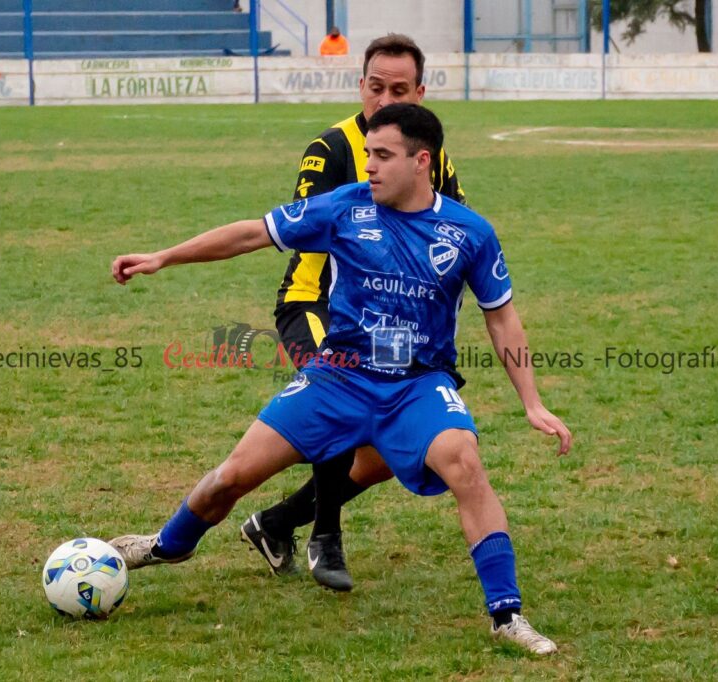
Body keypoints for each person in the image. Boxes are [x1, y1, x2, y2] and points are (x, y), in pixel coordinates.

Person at [108, 103, 572, 656]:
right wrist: (163, 257)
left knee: (465, 464)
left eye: (383, 155)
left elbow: (502, 317)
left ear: (422, 161)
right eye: (368, 152)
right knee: (230, 478)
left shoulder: (470, 232)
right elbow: (252, 234)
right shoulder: (345, 207)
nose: (369, 165)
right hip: (339, 377)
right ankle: (168, 545)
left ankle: (506, 615)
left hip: (416, 385)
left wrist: (532, 402)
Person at [246, 33, 466, 593]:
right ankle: (326, 535)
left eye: (399, 90)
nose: (385, 99)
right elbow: (306, 227)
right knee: (341, 399)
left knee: (384, 456)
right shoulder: (329, 148)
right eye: (376, 87)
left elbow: (455, 234)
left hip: (388, 317)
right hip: (314, 301)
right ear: (360, 85)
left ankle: (275, 523)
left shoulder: (430, 157)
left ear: (419, 94)